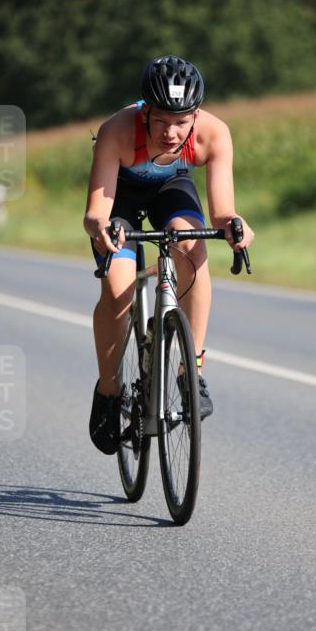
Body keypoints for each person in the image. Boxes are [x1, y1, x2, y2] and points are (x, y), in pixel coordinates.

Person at [84, 54, 255, 454]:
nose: (172, 133)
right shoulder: (117, 131)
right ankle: (109, 392)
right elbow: (96, 212)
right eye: (161, 121)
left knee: (191, 247)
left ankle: (190, 372)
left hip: (171, 188)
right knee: (117, 290)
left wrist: (236, 227)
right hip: (120, 196)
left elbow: (223, 212)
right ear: (145, 113)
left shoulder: (214, 133)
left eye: (182, 122)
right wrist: (99, 230)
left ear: (196, 115)